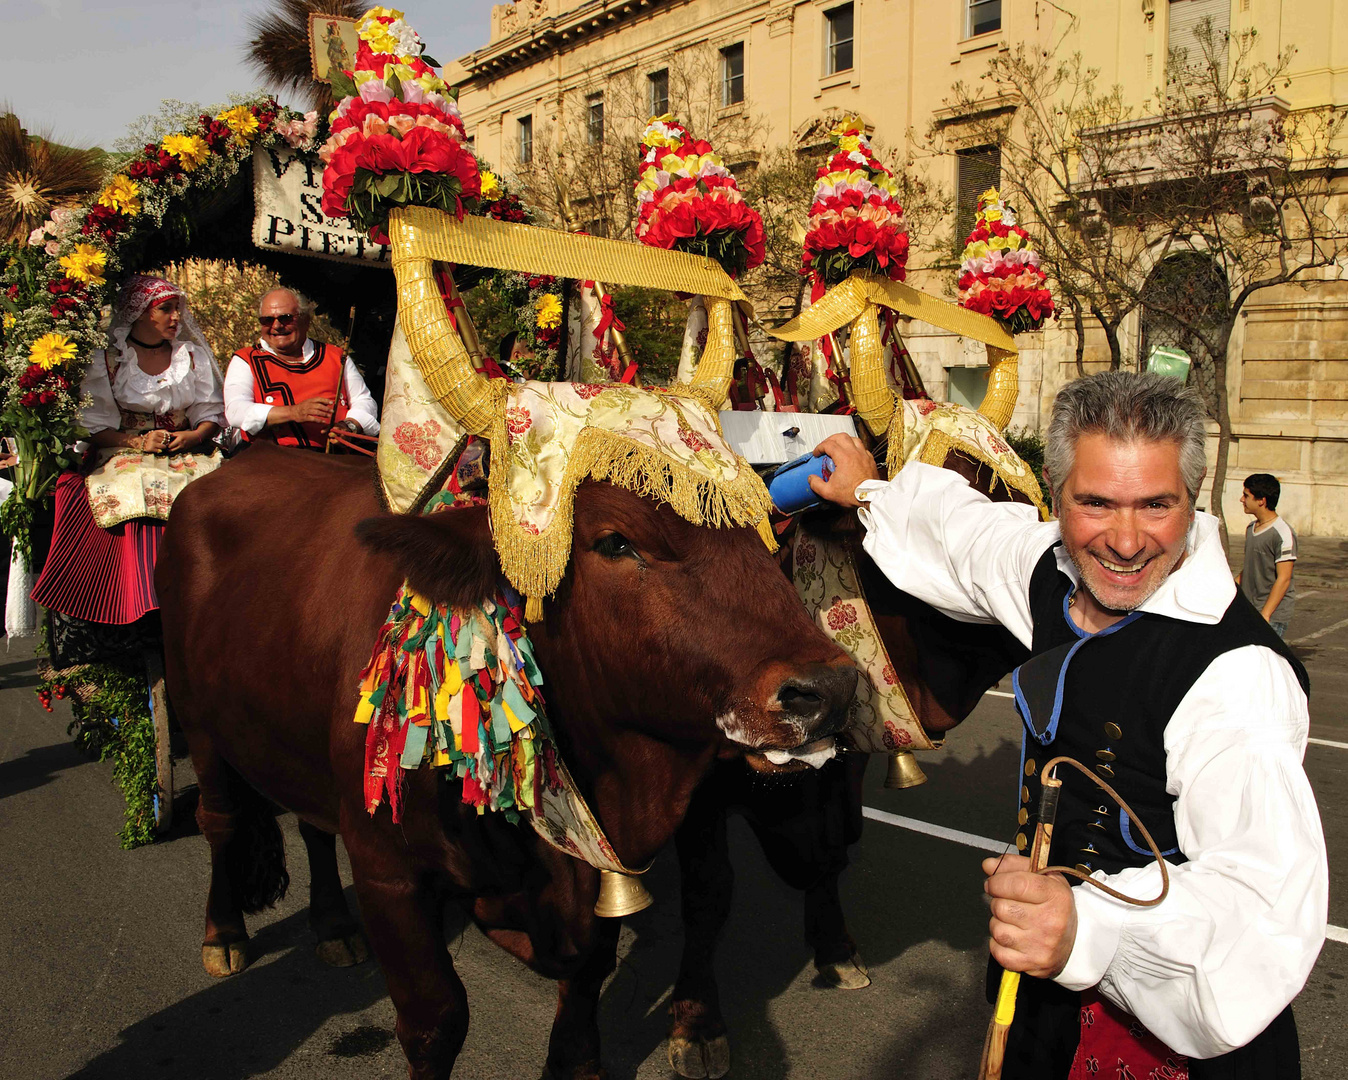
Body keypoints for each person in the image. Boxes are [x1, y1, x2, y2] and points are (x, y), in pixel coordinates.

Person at [810, 372, 1326, 1077]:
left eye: (1156, 505)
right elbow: (968, 534)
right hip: (1038, 1001)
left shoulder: (1237, 676)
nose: (1124, 540)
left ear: (1192, 501)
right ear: (1056, 495)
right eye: (1094, 503)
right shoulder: (1051, 574)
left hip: (1172, 1031)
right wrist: (871, 492)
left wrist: (1091, 929)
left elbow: (1261, 902)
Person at [32, 275, 225, 626]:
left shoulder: (190, 355)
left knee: (212, 489)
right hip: (123, 449)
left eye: (176, 309)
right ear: (139, 313)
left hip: (186, 447)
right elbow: (94, 424)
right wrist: (136, 442)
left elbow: (210, 412)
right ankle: (139, 596)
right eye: (165, 309)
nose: (175, 318)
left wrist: (195, 436)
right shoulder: (109, 359)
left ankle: (211, 589)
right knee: (137, 484)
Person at [223, 288, 379, 451]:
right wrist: (293, 412)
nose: (276, 326)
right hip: (270, 458)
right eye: (267, 320)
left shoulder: (336, 355)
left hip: (337, 457)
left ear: (306, 320)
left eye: (286, 318)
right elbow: (235, 410)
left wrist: (350, 426)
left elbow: (364, 400)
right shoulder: (246, 359)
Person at [1236, 473, 1297, 638]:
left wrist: (1266, 615)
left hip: (1271, 616)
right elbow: (1250, 567)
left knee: (1264, 662)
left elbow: (1284, 578)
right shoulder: (1251, 528)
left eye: (1246, 495)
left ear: (1261, 500)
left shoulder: (1282, 533)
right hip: (1249, 610)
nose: (1242, 499)